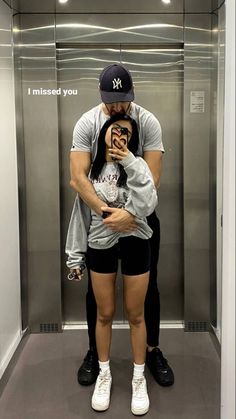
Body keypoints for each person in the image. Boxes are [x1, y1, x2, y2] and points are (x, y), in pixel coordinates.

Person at [69, 63, 174, 388]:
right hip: (101, 216)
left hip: (141, 217)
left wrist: (131, 214)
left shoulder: (147, 121)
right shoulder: (88, 122)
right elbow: (78, 178)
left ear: (132, 94)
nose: (118, 107)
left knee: (148, 287)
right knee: (97, 294)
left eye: (123, 100)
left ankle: (152, 350)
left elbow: (153, 179)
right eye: (112, 101)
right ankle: (94, 353)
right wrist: (105, 212)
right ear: (102, 96)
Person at [67, 113, 158, 414]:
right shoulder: (91, 170)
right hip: (99, 244)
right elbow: (80, 215)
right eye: (117, 130)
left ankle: (138, 378)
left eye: (128, 133)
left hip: (136, 242)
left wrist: (131, 160)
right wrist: (75, 256)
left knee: (136, 314)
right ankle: (103, 374)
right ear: (105, 131)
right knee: (104, 313)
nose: (121, 136)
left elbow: (148, 203)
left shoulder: (138, 166)